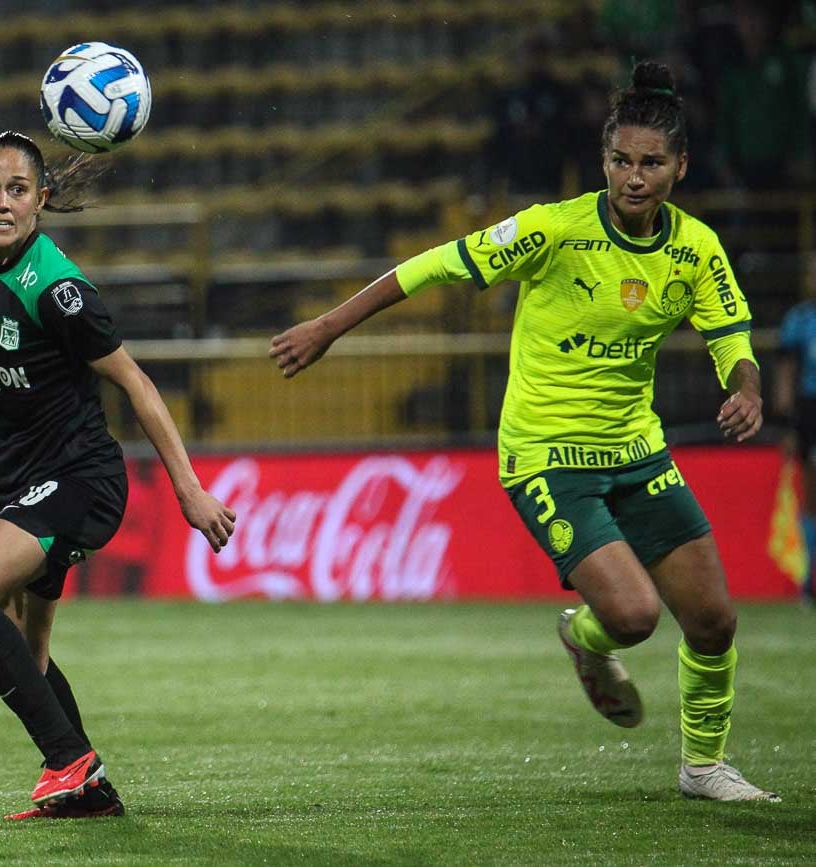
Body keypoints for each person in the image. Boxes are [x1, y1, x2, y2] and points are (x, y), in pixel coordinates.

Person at [270, 61, 777, 802]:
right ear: (603, 160)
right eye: (620, 160)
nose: (633, 178)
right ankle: (587, 635)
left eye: (651, 163)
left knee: (714, 620)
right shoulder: (553, 229)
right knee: (633, 617)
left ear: (681, 166)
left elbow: (731, 336)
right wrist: (329, 324)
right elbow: (433, 266)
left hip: (638, 450)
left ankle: (704, 767)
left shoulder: (695, 247)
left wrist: (747, 387)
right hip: (546, 457)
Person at [0, 93, 236, 820]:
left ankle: (67, 760)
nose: (4, 202)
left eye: (19, 190)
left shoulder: (61, 289)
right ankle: (89, 791)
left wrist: (190, 491)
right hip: (16, 476)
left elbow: (136, 383)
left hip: (80, 478)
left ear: (41, 200)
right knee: (30, 654)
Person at [774, 254, 816, 606]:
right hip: (810, 414)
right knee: (811, 498)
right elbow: (786, 374)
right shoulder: (800, 320)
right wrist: (788, 425)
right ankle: (808, 582)